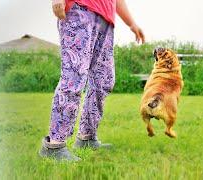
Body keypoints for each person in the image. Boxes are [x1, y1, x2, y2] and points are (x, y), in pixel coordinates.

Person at [39, 0, 145, 161]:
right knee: (74, 76)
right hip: (80, 10)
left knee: (103, 81)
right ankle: (54, 145)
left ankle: (86, 137)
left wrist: (132, 24)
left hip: (106, 21)